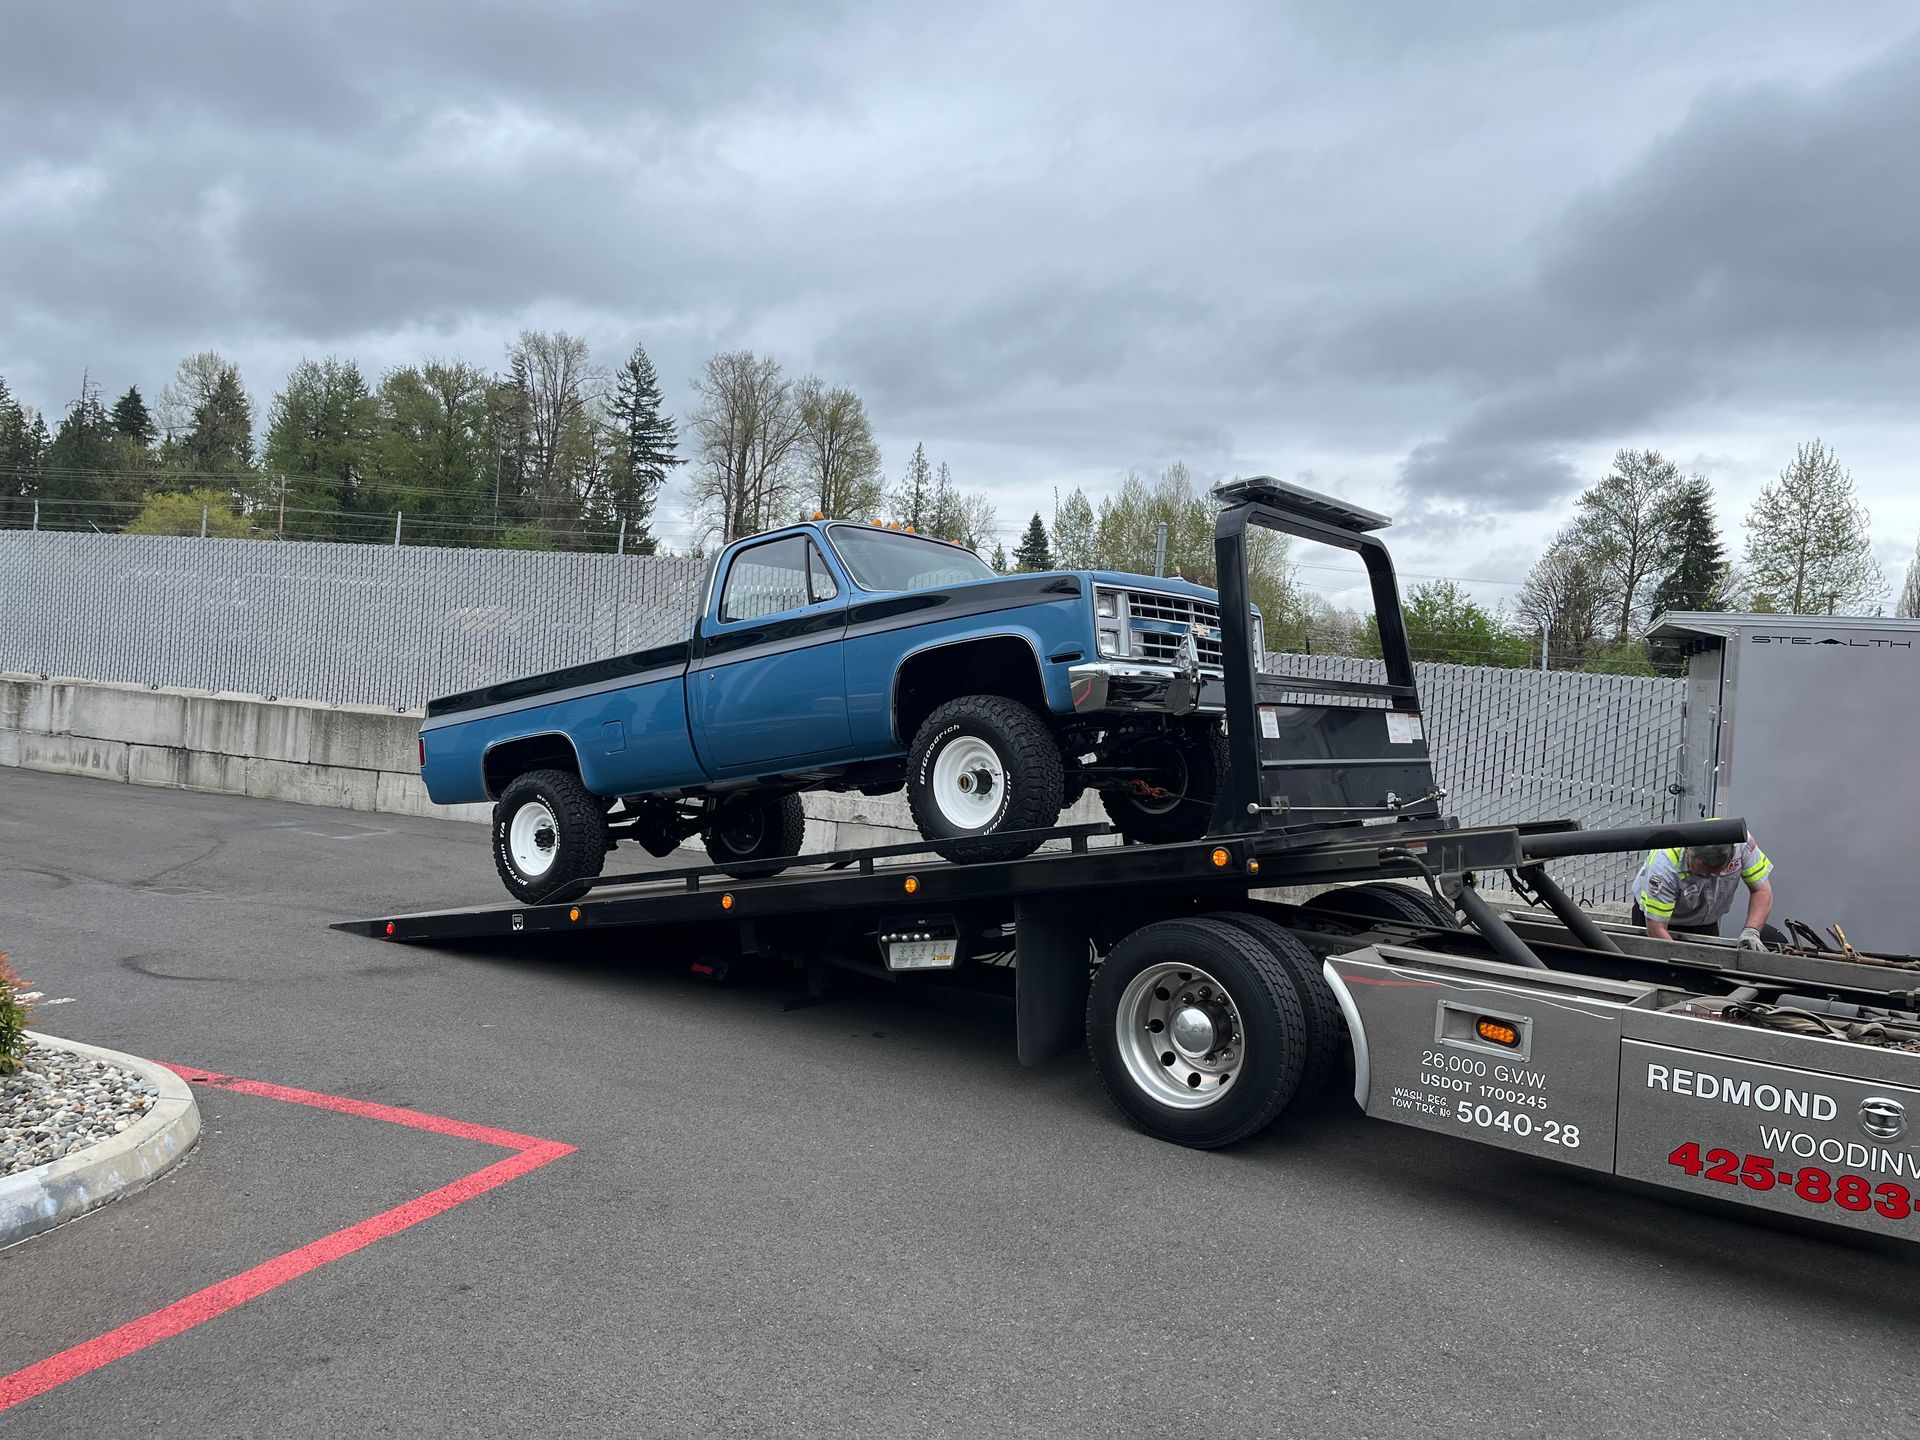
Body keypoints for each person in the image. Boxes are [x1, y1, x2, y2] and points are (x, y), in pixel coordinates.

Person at [1630, 837, 1780, 949]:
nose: (1708, 879)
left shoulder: (1741, 844)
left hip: (1705, 922)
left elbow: (1761, 890)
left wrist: (1751, 931)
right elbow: (1656, 929)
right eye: (1700, 874)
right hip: (1662, 923)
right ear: (1687, 850)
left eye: (1715, 874)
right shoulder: (1664, 865)